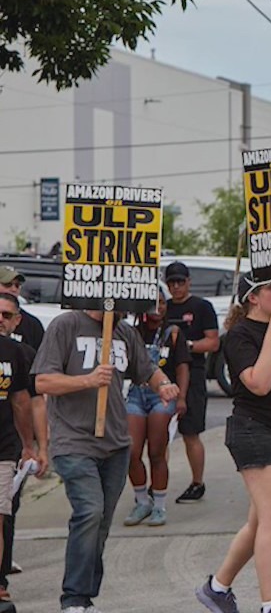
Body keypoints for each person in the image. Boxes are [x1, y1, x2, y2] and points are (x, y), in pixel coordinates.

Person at [34, 306, 179, 613]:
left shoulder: (124, 332)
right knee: (89, 511)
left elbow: (147, 370)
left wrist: (163, 384)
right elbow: (43, 382)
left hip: (115, 443)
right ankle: (73, 598)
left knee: (100, 523)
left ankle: (85, 598)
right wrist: (87, 380)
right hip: (73, 440)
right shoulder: (66, 325)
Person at [196, 274, 271, 613]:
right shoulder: (240, 336)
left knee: (260, 521)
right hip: (253, 428)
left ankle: (217, 588)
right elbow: (259, 384)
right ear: (253, 297)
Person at [123, 287, 191, 527]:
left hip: (163, 395)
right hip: (135, 393)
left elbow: (183, 366)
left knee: (157, 451)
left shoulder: (173, 333)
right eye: (153, 303)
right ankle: (142, 501)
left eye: (162, 303)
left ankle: (159, 505)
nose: (158, 308)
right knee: (131, 451)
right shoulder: (131, 332)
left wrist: (181, 397)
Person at [163, 261, 220, 505]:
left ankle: (198, 482)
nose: (176, 287)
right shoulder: (162, 309)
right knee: (159, 435)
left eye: (180, 282)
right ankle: (158, 484)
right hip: (164, 376)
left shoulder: (201, 307)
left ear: (188, 282)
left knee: (190, 432)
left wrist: (186, 346)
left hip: (193, 374)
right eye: (171, 283)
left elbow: (213, 342)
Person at [0, 294, 36, 604]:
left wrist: (30, 445)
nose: (0, 318)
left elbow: (22, 401)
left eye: (6, 314)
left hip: (3, 447)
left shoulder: (15, 352)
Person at [0, 267, 44, 351]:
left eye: (17, 285)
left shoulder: (32, 325)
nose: (14, 289)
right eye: (7, 284)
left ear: (17, 319)